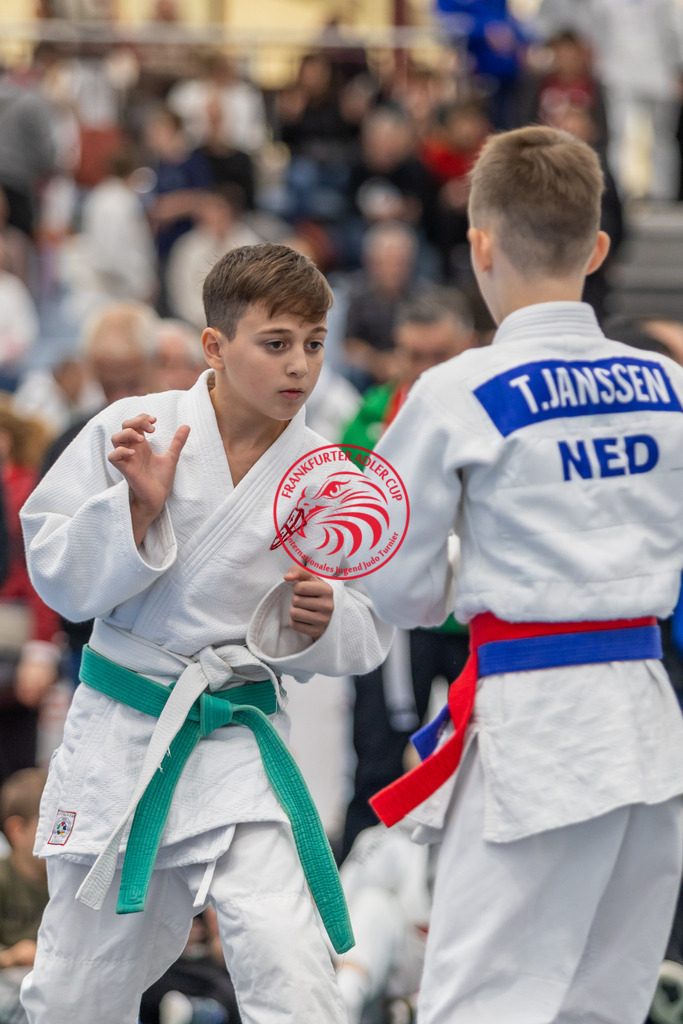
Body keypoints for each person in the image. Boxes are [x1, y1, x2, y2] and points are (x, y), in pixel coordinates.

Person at [19, 242, 393, 1024]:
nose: (300, 366)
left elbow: (365, 633)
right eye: (276, 343)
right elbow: (54, 572)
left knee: (289, 963)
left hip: (236, 740)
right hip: (125, 732)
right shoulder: (136, 429)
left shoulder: (327, 475)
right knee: (77, 992)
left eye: (314, 344)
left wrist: (321, 623)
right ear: (215, 346)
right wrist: (134, 513)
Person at [363, 126, 683, 1023]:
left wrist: (462, 574)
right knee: (603, 1005)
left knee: (476, 1004)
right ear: (600, 248)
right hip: (649, 727)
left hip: (535, 729)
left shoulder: (457, 389)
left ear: (480, 245)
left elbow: (396, 583)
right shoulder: (665, 382)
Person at [341, 289, 477, 856]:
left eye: (438, 355)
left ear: (467, 347)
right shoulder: (369, 420)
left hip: (474, 620)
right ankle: (348, 906)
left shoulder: (491, 416)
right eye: (412, 355)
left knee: (482, 761)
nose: (424, 370)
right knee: (377, 757)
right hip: (396, 623)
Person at [0, 769, 49, 1024]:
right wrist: (12, 956)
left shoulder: (65, 882)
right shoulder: (3, 877)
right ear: (17, 830)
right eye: (50, 823)